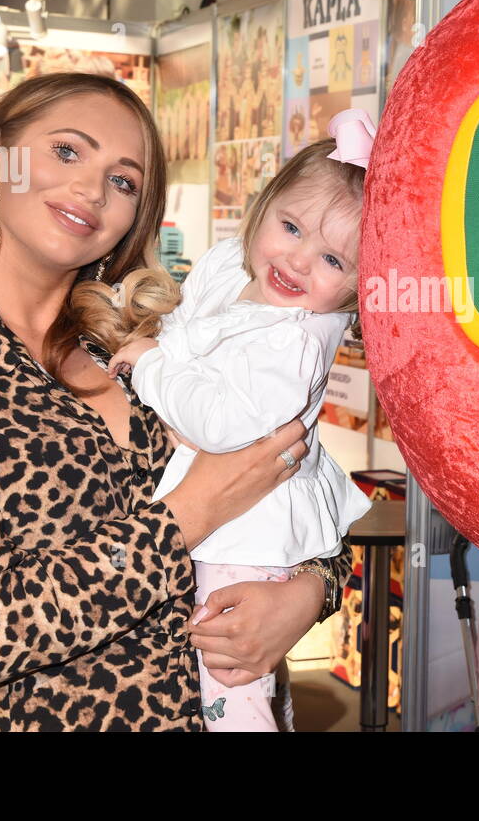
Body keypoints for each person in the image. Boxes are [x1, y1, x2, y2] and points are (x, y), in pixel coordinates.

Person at [0, 72, 352, 730]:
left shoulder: (145, 345)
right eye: (68, 151)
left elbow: (304, 491)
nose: (92, 189)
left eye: (124, 180)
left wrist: (308, 593)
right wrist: (192, 512)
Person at [105, 110, 375, 730]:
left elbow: (221, 425)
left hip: (246, 539)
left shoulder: (295, 341)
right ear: (264, 205)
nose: (300, 261)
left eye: (334, 261)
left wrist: (151, 370)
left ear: (358, 289)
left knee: (226, 679)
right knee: (244, 676)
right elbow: (184, 329)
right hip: (213, 525)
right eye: (290, 226)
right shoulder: (233, 267)